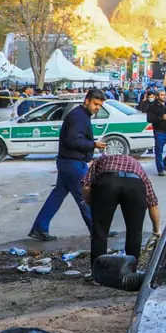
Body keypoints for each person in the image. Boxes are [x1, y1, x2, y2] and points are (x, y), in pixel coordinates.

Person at [27, 89, 105, 242]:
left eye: (100, 105)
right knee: (85, 197)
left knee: (57, 196)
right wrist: (93, 144)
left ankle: (39, 228)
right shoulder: (79, 117)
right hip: (72, 163)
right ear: (87, 100)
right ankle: (98, 230)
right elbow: (72, 140)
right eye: (96, 104)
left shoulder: (81, 115)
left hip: (68, 162)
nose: (97, 108)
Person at [81, 154, 161, 260]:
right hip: (135, 185)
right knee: (135, 232)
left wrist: (92, 203)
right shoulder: (136, 165)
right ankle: (131, 271)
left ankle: (98, 272)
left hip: (108, 182)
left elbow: (86, 186)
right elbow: (152, 203)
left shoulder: (100, 160)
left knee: (100, 232)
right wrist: (156, 230)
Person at [146, 92, 166, 177]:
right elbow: (149, 119)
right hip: (159, 132)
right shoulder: (152, 107)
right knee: (159, 151)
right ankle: (160, 169)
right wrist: (161, 118)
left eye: (164, 95)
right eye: (161, 95)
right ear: (157, 96)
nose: (164, 96)